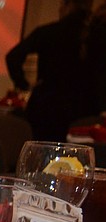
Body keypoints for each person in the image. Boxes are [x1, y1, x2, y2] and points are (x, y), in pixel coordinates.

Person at [6, 0, 99, 142]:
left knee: (44, 154)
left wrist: (25, 84)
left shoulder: (49, 32)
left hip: (47, 108)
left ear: (69, 6)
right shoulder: (97, 36)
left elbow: (13, 57)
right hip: (85, 111)